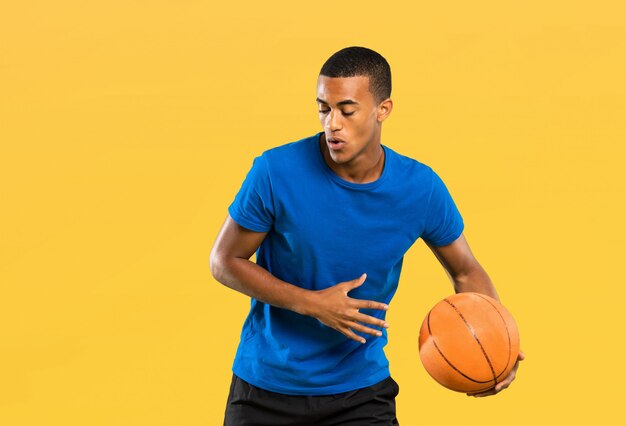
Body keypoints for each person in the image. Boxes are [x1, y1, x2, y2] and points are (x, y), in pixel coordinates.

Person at [210, 46, 523, 426]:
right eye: (323, 108)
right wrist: (312, 304)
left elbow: (466, 270)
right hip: (266, 388)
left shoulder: (420, 189)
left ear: (382, 110)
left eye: (346, 109)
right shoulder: (276, 171)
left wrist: (498, 342)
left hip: (360, 393)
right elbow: (225, 261)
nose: (332, 123)